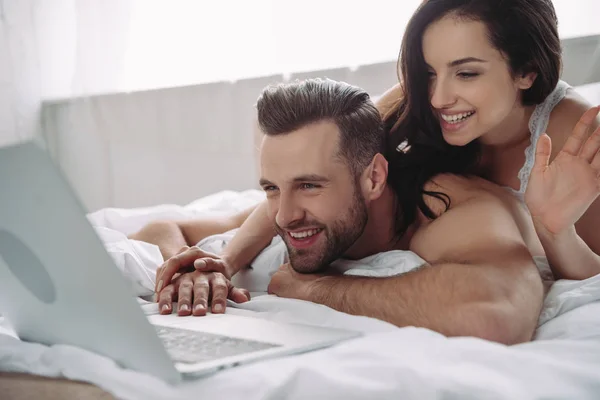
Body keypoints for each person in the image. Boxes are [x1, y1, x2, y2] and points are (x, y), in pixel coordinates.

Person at [131, 78, 551, 345]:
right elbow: (163, 227)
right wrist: (192, 270)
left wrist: (313, 289)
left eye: (309, 185)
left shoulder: (447, 210)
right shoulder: (290, 211)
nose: (283, 216)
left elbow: (495, 312)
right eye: (273, 188)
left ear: (373, 178)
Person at [379, 0, 600, 280]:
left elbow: (593, 279)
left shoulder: (576, 135)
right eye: (429, 72)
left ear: (526, 72)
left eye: (466, 74)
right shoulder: (414, 100)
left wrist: (555, 234)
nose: (438, 98)